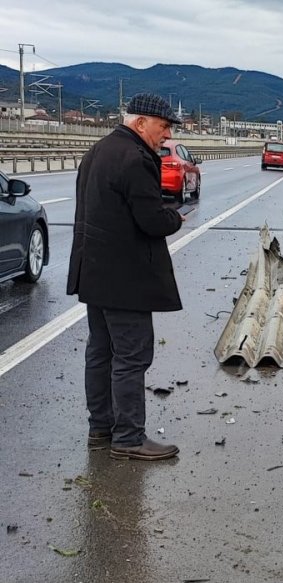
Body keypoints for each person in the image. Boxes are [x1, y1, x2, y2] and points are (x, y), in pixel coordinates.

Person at [68, 92, 185, 461]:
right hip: (126, 279)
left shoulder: (97, 151)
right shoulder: (135, 158)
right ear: (140, 123)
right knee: (132, 357)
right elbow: (150, 220)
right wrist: (174, 218)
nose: (166, 136)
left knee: (100, 352)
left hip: (94, 273)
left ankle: (100, 428)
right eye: (163, 127)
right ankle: (130, 436)